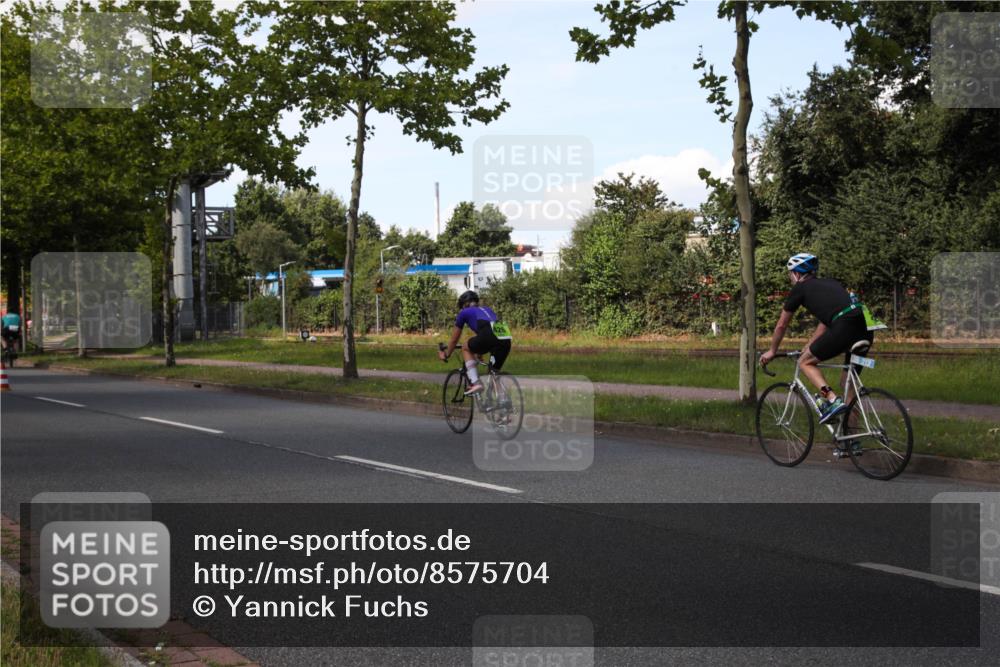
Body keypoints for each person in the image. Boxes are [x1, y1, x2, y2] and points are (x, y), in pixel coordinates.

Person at [759, 253, 875, 424]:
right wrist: (810, 345)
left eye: (790, 273)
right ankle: (851, 441)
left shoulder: (799, 288)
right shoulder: (831, 282)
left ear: (797, 274)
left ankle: (832, 399)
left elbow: (781, 325)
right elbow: (827, 321)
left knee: (805, 362)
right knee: (848, 385)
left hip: (845, 326)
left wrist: (772, 351)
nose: (790, 278)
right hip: (866, 327)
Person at [438, 290, 512, 394]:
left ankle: (476, 382)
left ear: (464, 305)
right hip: (505, 338)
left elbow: (454, 339)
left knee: (465, 347)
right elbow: (490, 333)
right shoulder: (487, 309)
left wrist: (447, 354)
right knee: (493, 373)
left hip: (489, 335)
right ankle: (504, 401)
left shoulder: (464, 312)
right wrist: (479, 352)